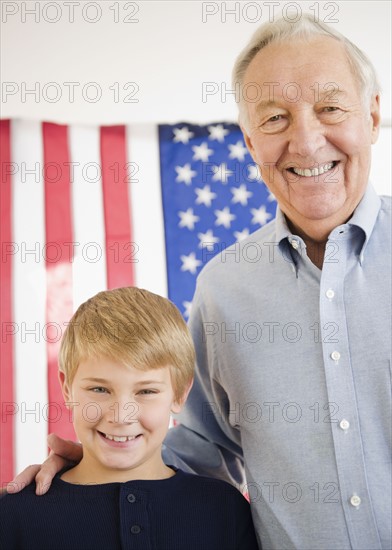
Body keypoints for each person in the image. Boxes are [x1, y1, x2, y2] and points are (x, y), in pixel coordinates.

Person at [7, 14, 391, 550]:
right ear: (251, 143)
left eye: (330, 108)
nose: (305, 141)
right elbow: (199, 448)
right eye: (275, 118)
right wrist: (99, 468)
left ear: (372, 115)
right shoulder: (225, 289)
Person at [0, 287, 258, 549]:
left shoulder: (225, 509)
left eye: (146, 391)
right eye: (99, 389)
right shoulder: (15, 514)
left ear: (180, 394)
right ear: (67, 389)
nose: (121, 415)